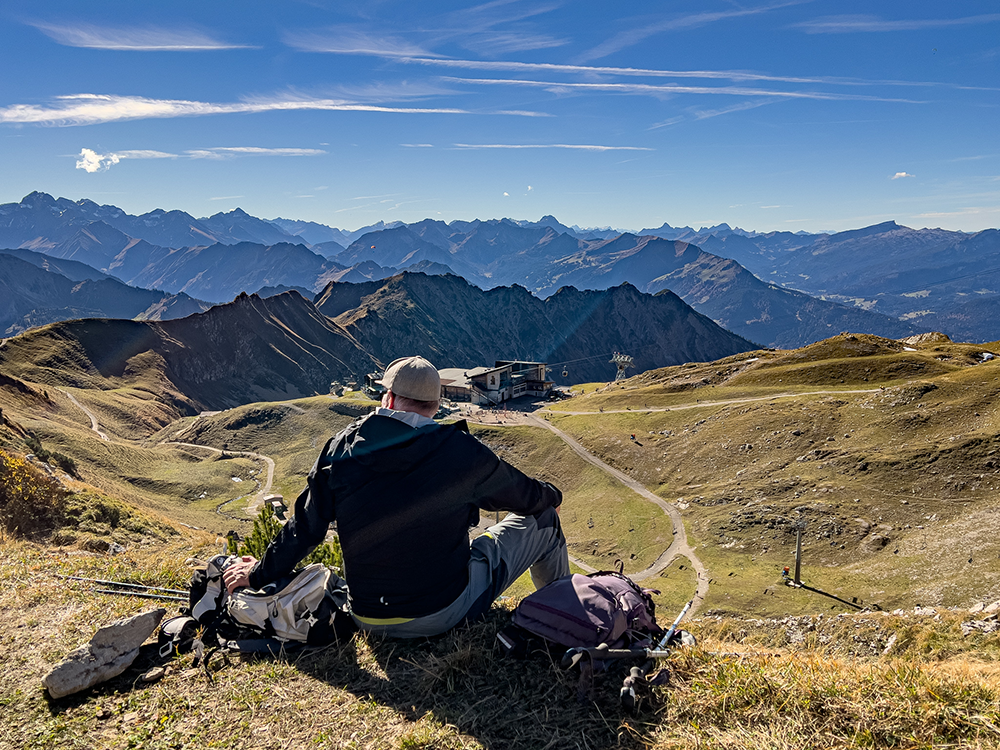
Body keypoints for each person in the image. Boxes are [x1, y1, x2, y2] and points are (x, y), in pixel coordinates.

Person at [223, 355, 569, 638]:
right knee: (545, 519)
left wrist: (256, 575)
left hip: (367, 615)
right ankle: (565, 623)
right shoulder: (458, 451)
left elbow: (305, 528)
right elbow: (527, 498)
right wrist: (552, 494)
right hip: (442, 612)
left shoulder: (339, 449)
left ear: (386, 398)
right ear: (437, 404)